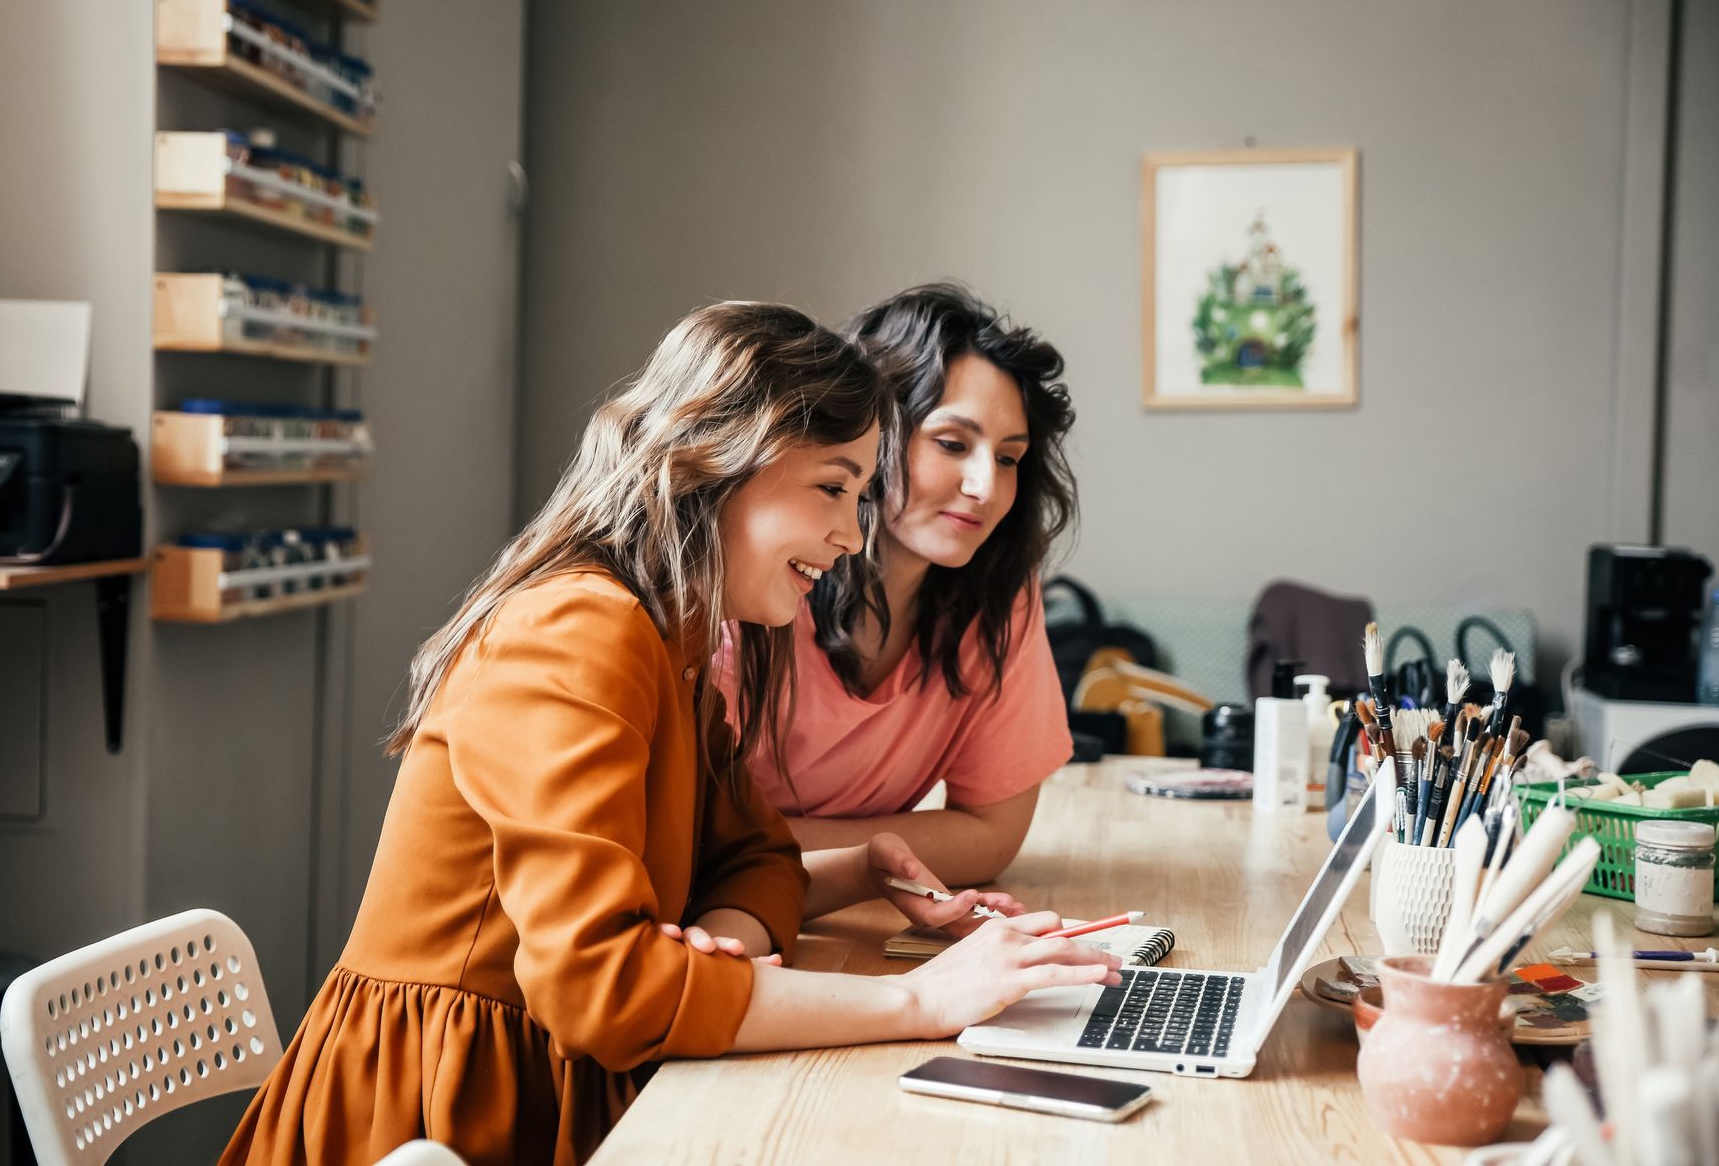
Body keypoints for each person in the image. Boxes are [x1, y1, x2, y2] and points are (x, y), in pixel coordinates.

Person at [220, 302, 1116, 1166]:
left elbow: (753, 859)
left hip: (563, 1080)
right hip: (441, 1109)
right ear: (718, 463)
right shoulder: (580, 629)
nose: (852, 533)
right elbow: (602, 990)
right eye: (835, 489)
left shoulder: (676, 637)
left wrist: (829, 882)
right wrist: (918, 996)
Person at [728, 283, 1079, 889]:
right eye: (952, 444)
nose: (985, 488)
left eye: (1008, 458)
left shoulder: (998, 597)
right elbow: (682, 842)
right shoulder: (752, 585)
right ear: (871, 434)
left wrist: (775, 848)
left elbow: (991, 837)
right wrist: (893, 851)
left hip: (814, 908)